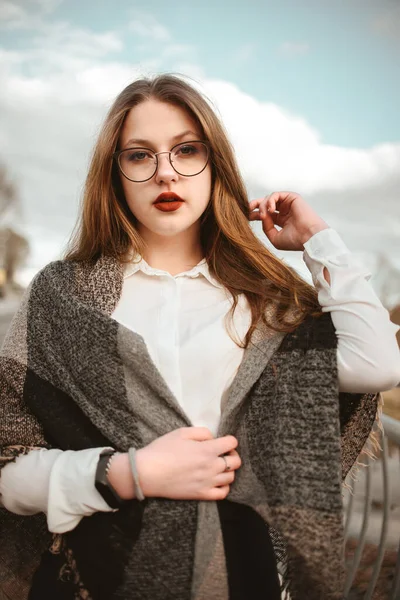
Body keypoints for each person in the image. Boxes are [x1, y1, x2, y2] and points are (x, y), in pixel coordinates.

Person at [0, 73, 399, 600]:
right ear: (114, 174)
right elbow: (10, 474)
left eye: (187, 150)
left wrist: (319, 241)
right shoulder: (63, 297)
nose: (166, 173)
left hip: (237, 575)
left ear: (216, 167)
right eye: (140, 156)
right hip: (89, 577)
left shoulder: (265, 303)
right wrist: (131, 473)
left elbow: (377, 365)